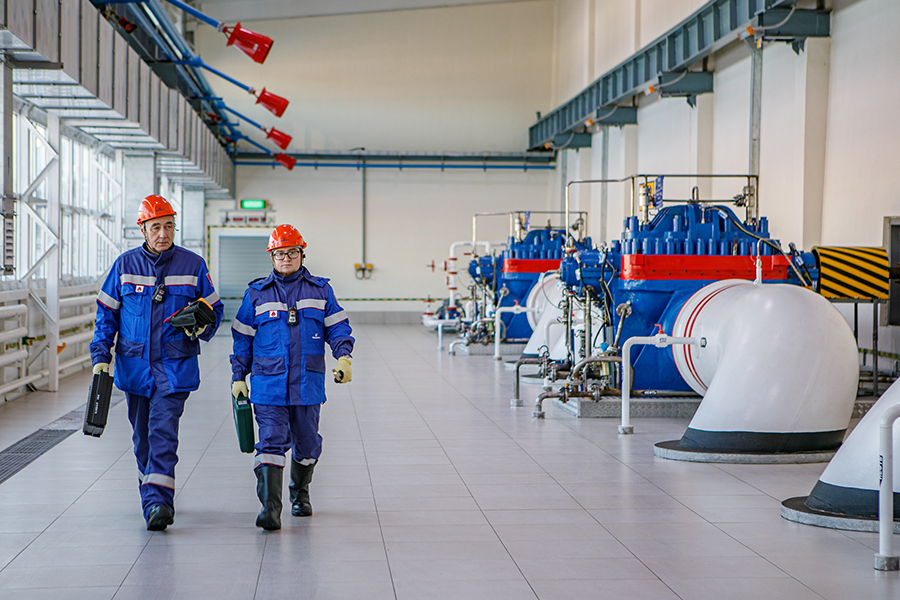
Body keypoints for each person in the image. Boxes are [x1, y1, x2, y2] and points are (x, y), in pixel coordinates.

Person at [91, 195, 224, 531]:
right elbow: (106, 314)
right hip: (135, 368)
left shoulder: (193, 266)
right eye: (156, 227)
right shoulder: (124, 266)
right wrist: (100, 357)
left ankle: (158, 504)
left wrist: (202, 324)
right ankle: (149, 493)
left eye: (168, 226)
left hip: (174, 368)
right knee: (142, 439)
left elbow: (215, 310)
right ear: (143, 229)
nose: (163, 234)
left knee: (163, 433)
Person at [230, 224, 354, 531]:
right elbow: (242, 338)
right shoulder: (256, 294)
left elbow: (338, 327)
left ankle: (300, 492)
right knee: (270, 441)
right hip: (268, 384)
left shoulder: (321, 291)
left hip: (307, 384)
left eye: (292, 252)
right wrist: (238, 376)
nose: (286, 258)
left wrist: (343, 356)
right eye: (280, 253)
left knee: (308, 445)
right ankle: (270, 509)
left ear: (302, 254)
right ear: (271, 257)